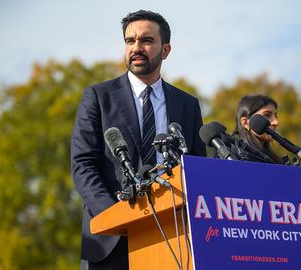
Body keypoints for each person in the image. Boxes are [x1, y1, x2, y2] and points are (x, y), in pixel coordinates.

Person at [71, 10, 206, 270]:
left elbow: (197, 168)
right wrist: (117, 217)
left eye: (146, 40)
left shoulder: (188, 105)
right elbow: (83, 164)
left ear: (165, 50)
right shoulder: (98, 97)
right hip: (111, 239)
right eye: (129, 41)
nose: (136, 47)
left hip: (173, 238)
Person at [232, 94, 282, 164]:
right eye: (267, 115)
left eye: (275, 116)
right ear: (245, 123)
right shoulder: (232, 156)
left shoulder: (275, 160)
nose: (276, 122)